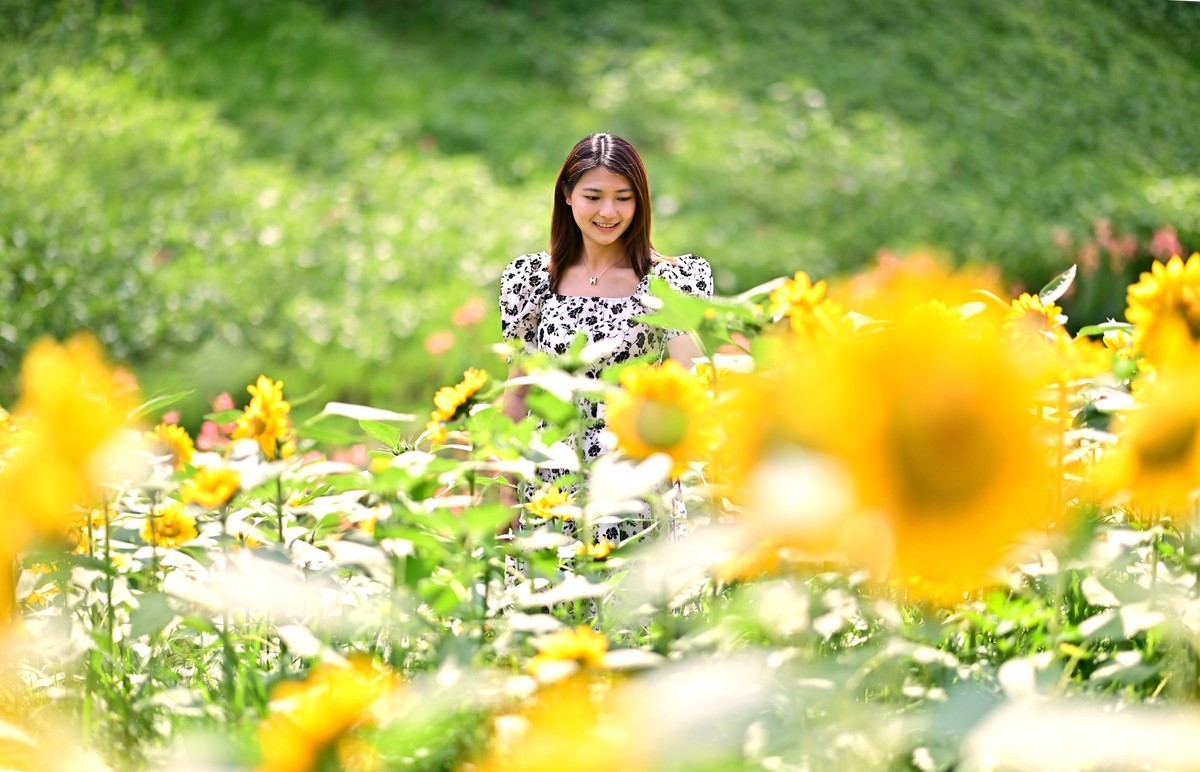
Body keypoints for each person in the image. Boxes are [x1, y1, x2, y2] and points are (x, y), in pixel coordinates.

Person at [498, 132, 713, 546]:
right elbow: (517, 395)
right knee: (550, 602)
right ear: (567, 195)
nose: (608, 212)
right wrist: (505, 488)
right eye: (593, 197)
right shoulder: (535, 282)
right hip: (550, 486)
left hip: (635, 482)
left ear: (641, 200)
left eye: (623, 197)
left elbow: (690, 378)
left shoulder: (666, 281)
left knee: (633, 605)